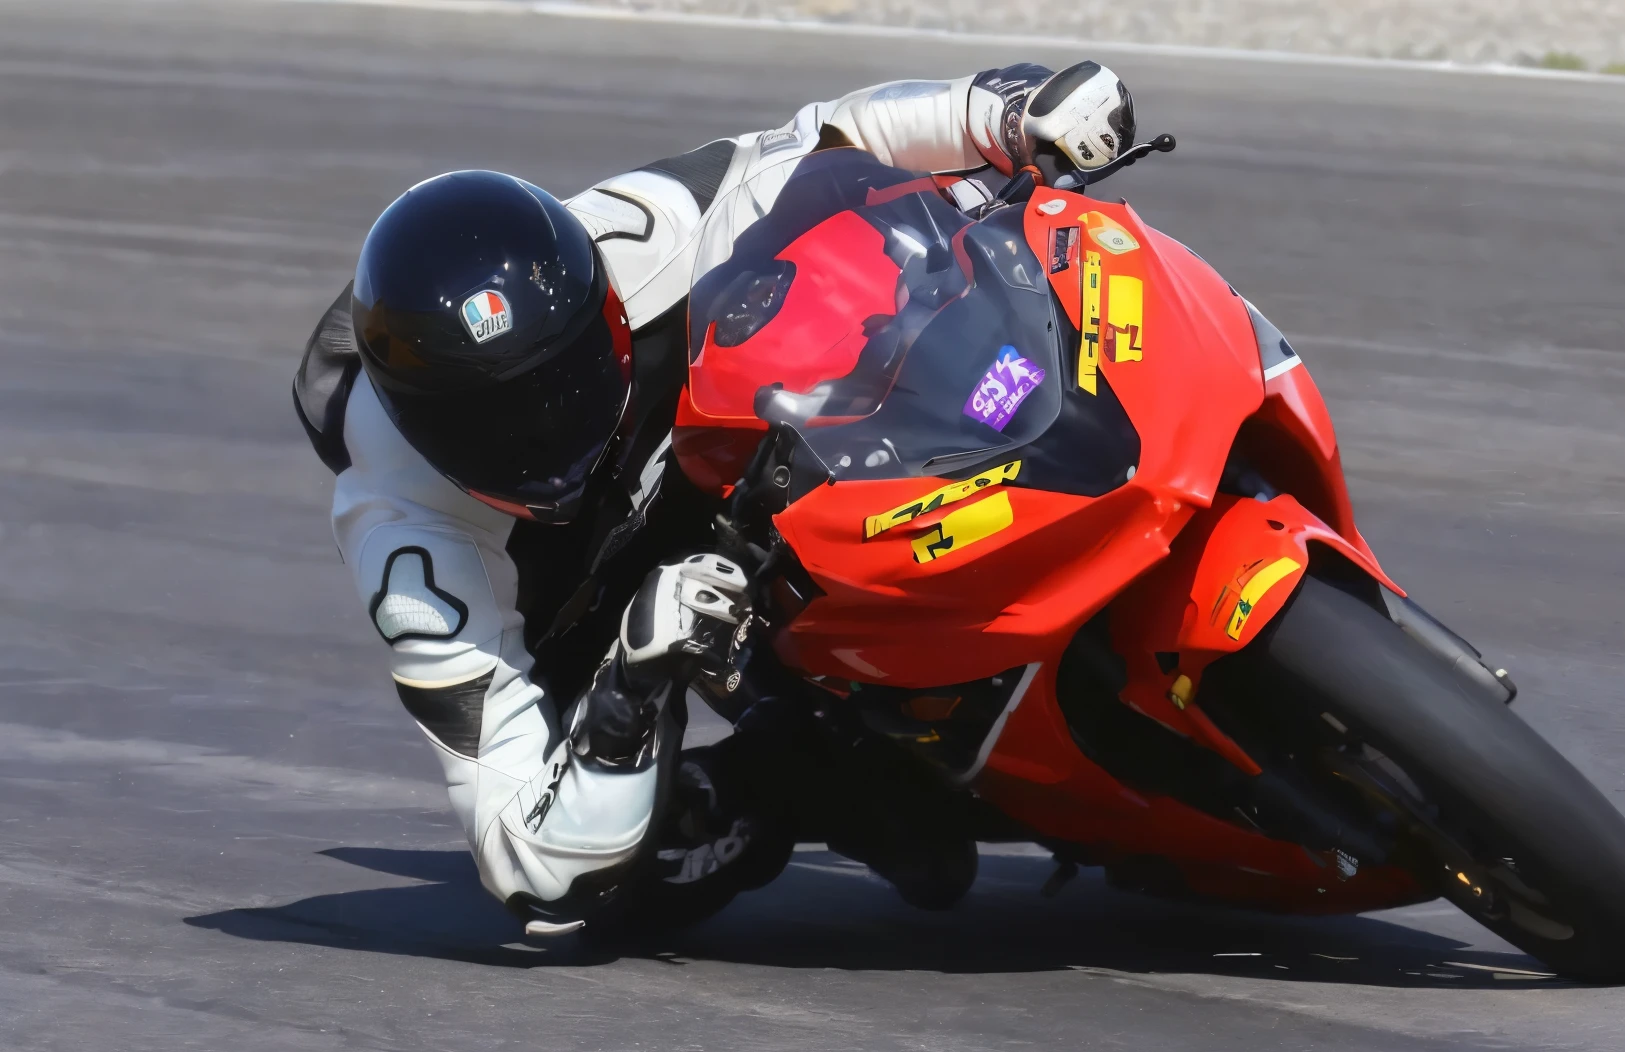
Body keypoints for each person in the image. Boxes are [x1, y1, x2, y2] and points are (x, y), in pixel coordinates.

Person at [291, 63, 1137, 936]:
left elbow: (829, 139)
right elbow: (525, 866)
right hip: (606, 655)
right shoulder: (407, 537)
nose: (548, 443)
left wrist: (1000, 110)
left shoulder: (638, 234)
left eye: (563, 387)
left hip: (732, 488)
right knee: (620, 888)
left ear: (604, 309)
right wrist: (629, 689)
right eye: (497, 427)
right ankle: (797, 777)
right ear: (417, 427)